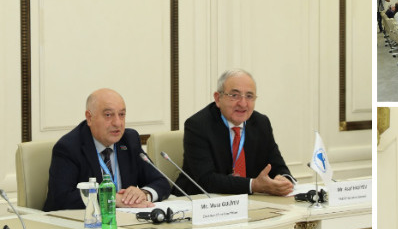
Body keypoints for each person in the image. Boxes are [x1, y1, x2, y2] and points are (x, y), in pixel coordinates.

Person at [43, 89, 171, 211]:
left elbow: (161, 182)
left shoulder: (129, 140)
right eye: (108, 115)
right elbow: (61, 199)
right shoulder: (69, 147)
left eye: (121, 115)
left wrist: (144, 193)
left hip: (126, 220)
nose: (117, 123)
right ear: (89, 117)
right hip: (86, 222)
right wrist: (111, 199)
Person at [176, 69, 294, 197]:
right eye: (234, 95)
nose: (243, 104)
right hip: (201, 200)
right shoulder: (198, 125)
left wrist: (284, 180)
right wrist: (253, 185)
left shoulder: (261, 123)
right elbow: (206, 180)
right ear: (218, 98)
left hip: (251, 201)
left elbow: (277, 165)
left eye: (249, 96)